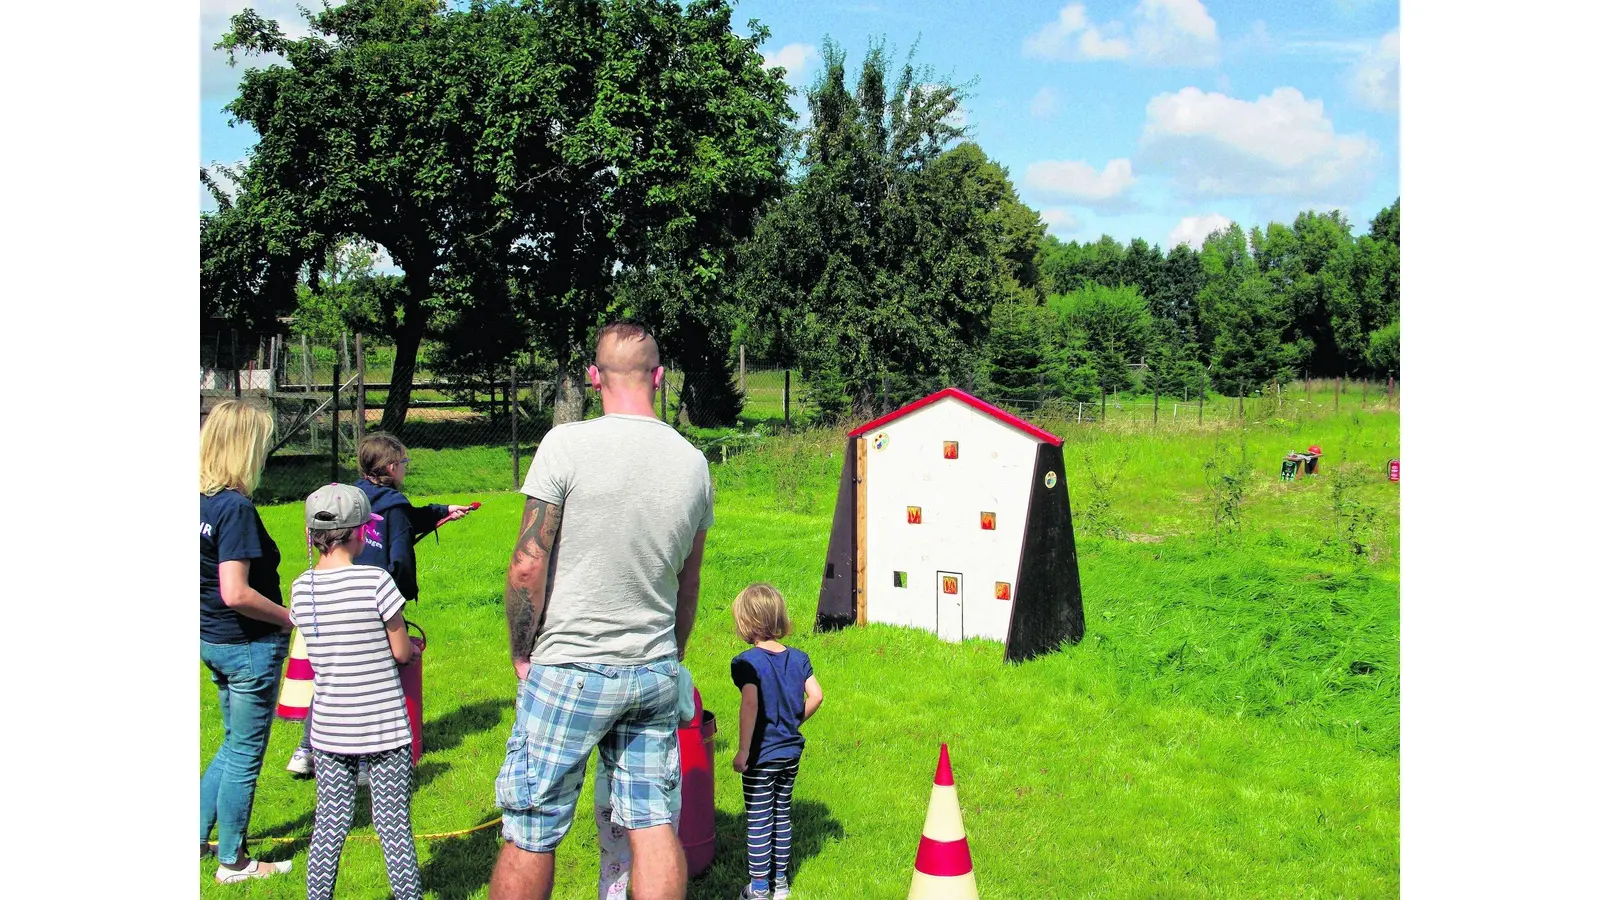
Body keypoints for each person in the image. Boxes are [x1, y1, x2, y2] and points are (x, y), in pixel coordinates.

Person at [490, 321, 714, 900]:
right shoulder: (693, 463)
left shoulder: (565, 445)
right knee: (652, 822)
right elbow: (688, 582)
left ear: (594, 377)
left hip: (570, 665)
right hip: (653, 667)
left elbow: (527, 564)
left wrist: (521, 651)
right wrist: (671, 655)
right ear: (659, 378)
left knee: (532, 826)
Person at [287, 432, 474, 776]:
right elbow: (399, 558)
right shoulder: (394, 506)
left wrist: (443, 511)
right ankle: (365, 760)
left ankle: (305, 750)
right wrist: (397, 603)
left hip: (334, 598)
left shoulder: (353, 500)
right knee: (372, 680)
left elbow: (407, 517)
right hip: (374, 603)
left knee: (334, 677)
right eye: (404, 462)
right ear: (391, 467)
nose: (406, 468)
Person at [291, 483, 422, 900]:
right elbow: (400, 651)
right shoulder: (377, 581)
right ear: (360, 532)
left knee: (329, 824)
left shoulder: (300, 588)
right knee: (393, 825)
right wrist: (411, 651)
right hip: (384, 727)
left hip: (329, 730)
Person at [199, 399, 295, 883]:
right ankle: (233, 862)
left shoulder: (199, 501)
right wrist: (288, 618)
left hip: (213, 640)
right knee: (244, 755)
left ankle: (195, 837)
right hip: (247, 646)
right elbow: (235, 592)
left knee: (232, 742)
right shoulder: (234, 508)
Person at [730, 584, 824, 900]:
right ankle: (780, 884)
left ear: (746, 621)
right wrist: (793, 722)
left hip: (761, 756)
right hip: (790, 753)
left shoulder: (746, 662)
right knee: (781, 815)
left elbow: (750, 704)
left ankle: (758, 889)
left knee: (758, 820)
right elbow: (817, 696)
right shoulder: (799, 658)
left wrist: (744, 750)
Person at [595, 665, 698, 900]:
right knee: (658, 862)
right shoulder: (679, 674)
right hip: (662, 796)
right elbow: (686, 719)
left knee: (613, 869)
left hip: (608, 791)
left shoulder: (608, 673)